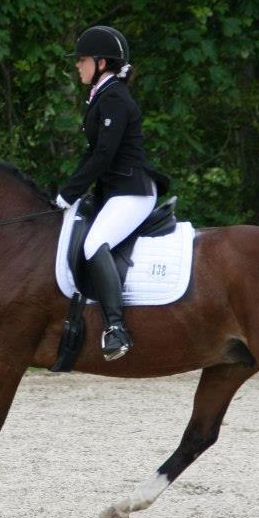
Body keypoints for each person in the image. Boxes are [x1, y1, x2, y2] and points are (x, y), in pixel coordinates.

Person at [55, 25, 169, 361]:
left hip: (133, 192)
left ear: (102, 63)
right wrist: (69, 191)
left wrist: (70, 192)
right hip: (115, 190)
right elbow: (92, 155)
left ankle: (116, 328)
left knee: (94, 244)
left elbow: (103, 156)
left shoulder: (116, 98)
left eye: (83, 60)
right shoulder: (102, 95)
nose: (78, 66)